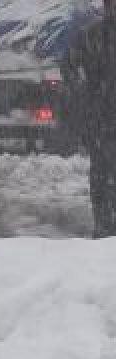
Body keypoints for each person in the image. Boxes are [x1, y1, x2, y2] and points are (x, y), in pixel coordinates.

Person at [63, 0, 116, 239]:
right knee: (102, 173)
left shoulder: (90, 35)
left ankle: (106, 225)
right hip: (101, 119)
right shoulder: (91, 35)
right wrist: (85, 94)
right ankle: (104, 226)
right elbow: (69, 67)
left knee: (103, 173)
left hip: (100, 116)